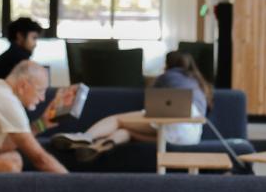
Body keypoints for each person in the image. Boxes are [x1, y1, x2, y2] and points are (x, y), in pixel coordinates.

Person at [49, 50, 212, 163]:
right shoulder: (200, 83)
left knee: (118, 120)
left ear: (168, 64)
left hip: (174, 120)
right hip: (190, 137)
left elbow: (153, 98)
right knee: (127, 132)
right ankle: (98, 147)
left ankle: (85, 137)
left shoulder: (169, 76)